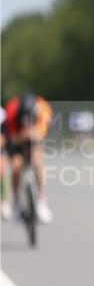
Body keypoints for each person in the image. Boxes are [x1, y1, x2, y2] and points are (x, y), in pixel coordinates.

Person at [3, 92, 54, 223]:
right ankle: (15, 202)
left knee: (37, 161)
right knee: (16, 165)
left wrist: (32, 133)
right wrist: (21, 136)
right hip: (14, 135)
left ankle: (41, 200)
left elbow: (41, 134)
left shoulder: (43, 109)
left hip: (34, 133)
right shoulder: (12, 112)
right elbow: (11, 139)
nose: (26, 124)